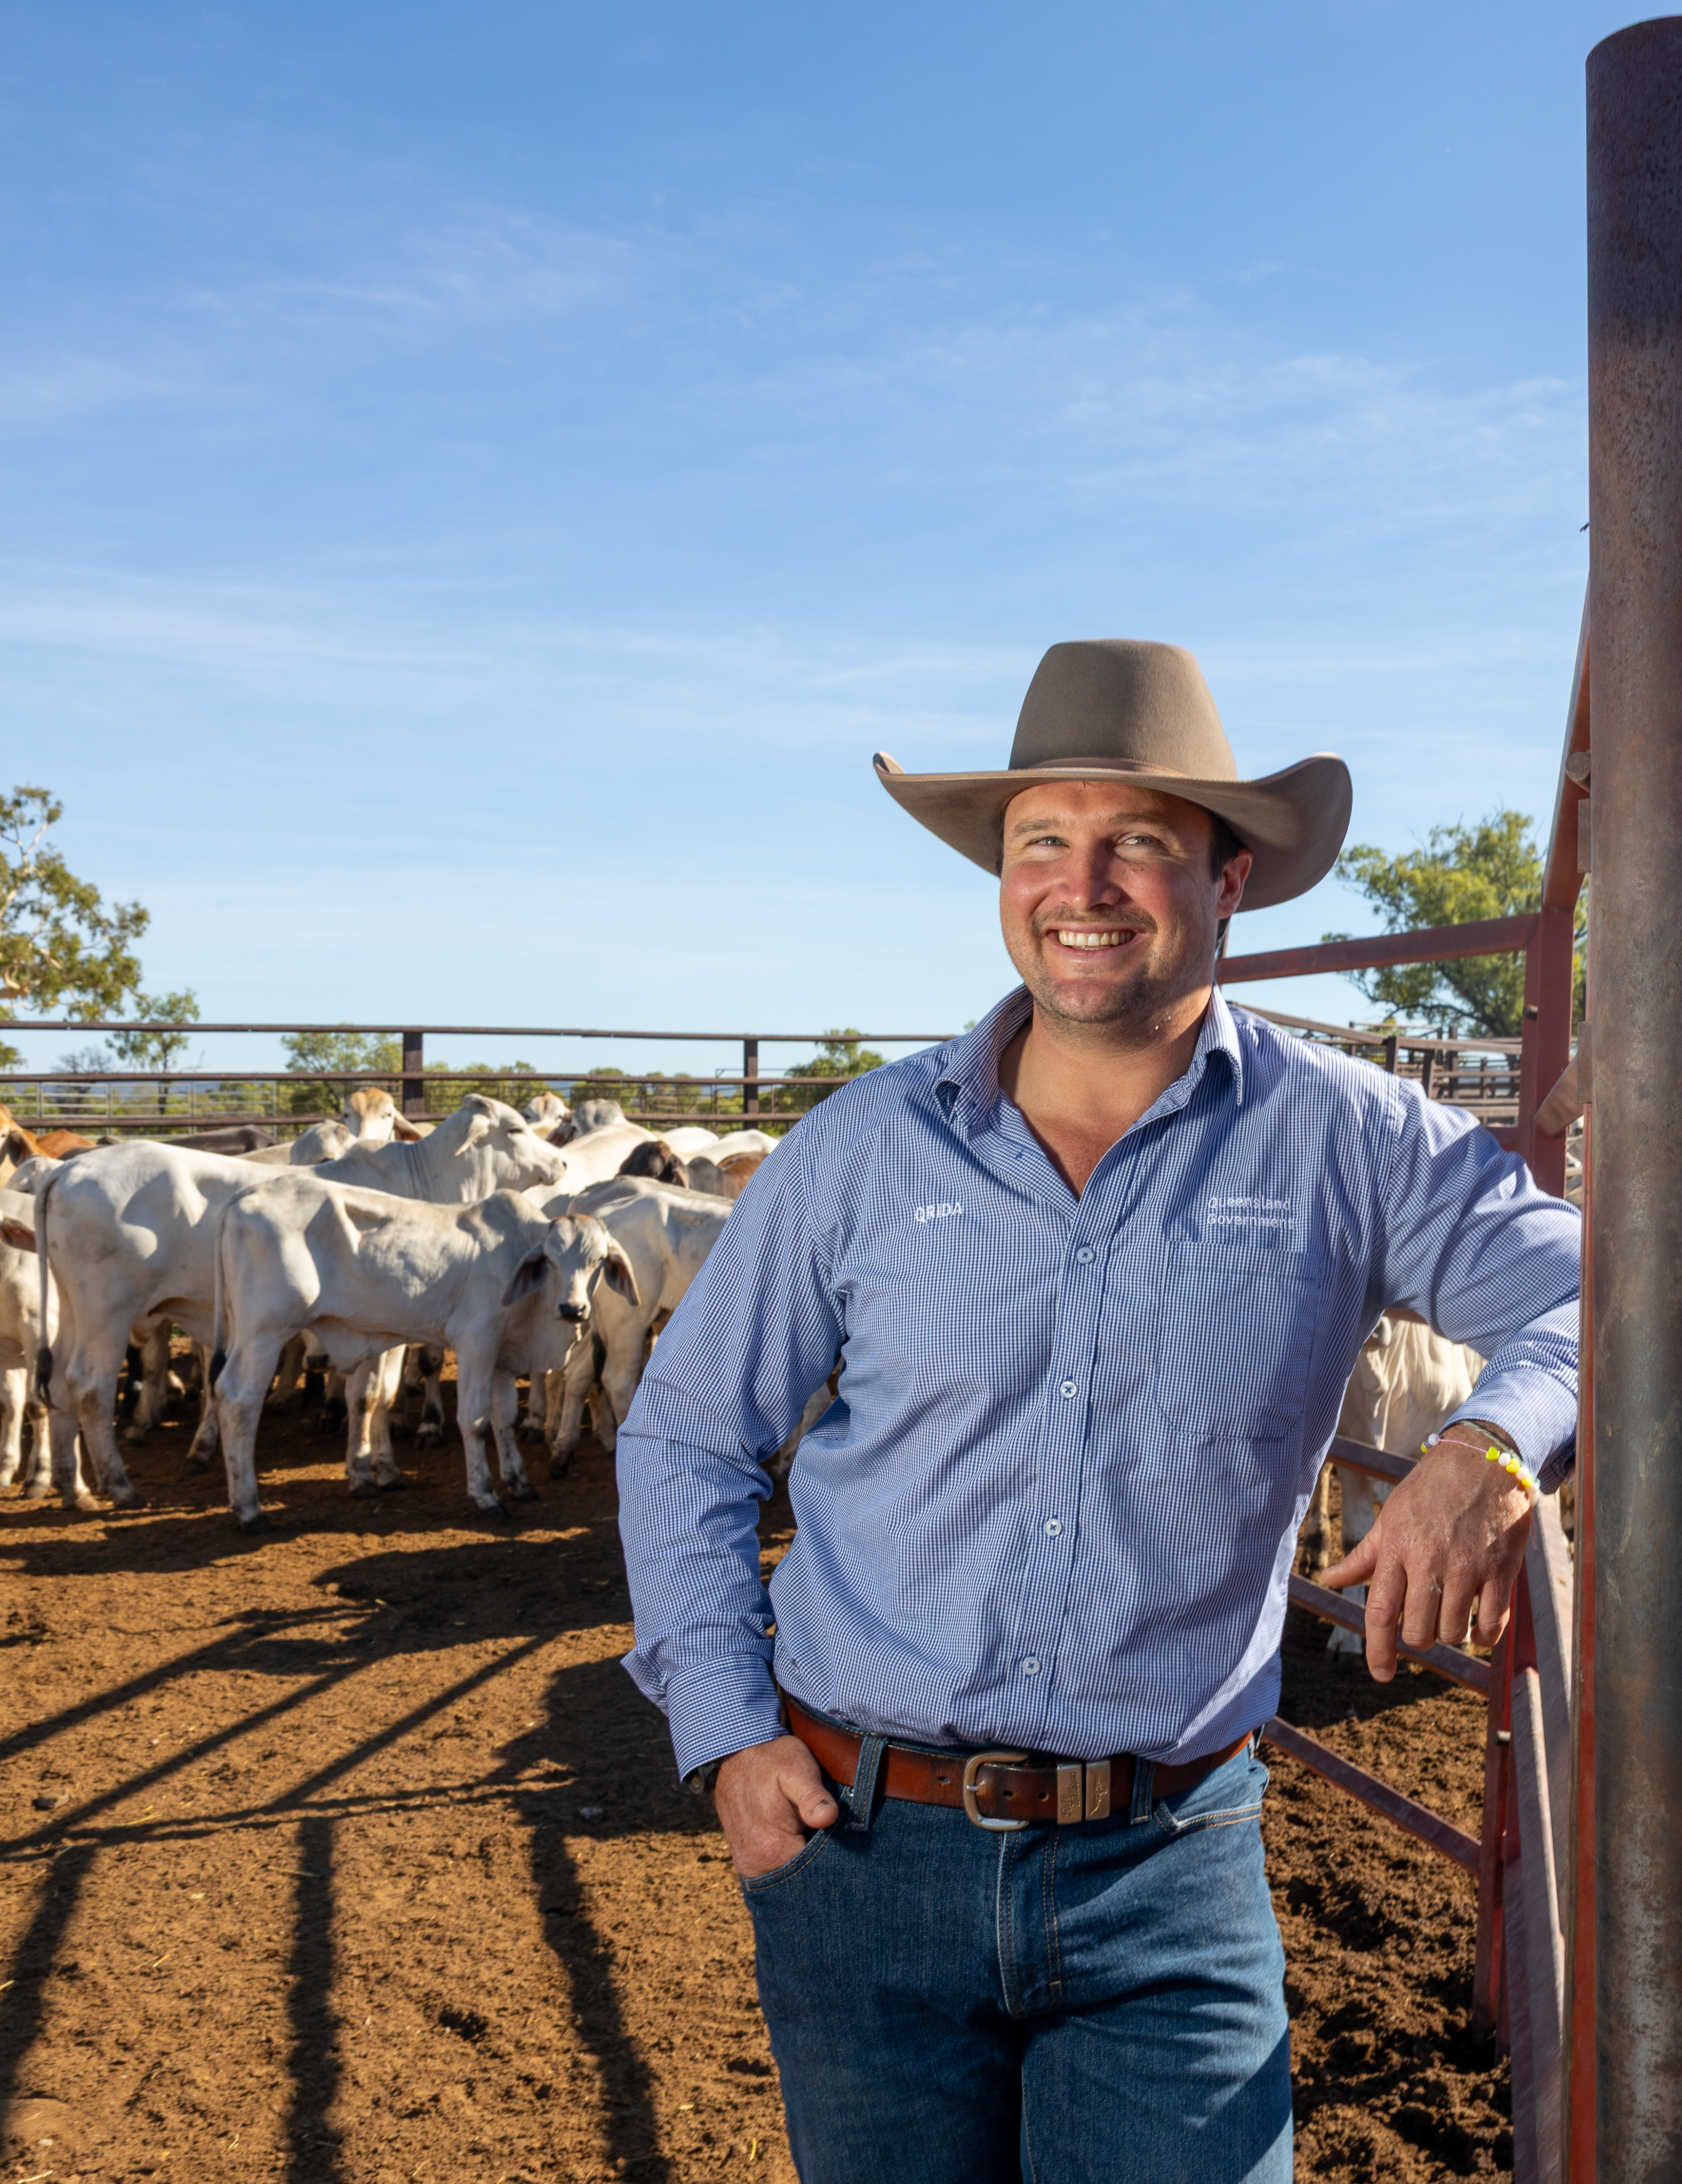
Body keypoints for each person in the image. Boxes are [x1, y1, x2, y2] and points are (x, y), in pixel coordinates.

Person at [616, 638, 1582, 2184]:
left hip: (1168, 1870)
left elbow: (1600, 1291)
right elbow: (685, 1438)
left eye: (1137, 840)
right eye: (1041, 843)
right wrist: (726, 1732)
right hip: (866, 1851)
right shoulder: (864, 1151)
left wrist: (1486, 1443)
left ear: (1230, 877)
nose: (1083, 885)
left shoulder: (1347, 1140)